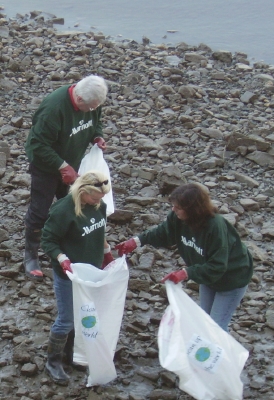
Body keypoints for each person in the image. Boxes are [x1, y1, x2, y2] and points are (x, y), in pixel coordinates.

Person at [115, 182, 253, 332]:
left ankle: (224, 354)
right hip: (207, 278)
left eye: (178, 207)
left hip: (231, 279)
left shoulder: (215, 227)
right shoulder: (178, 218)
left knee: (216, 328)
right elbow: (163, 232)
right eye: (173, 206)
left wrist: (186, 273)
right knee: (205, 320)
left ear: (193, 210)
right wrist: (137, 241)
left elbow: (218, 265)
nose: (174, 210)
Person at [24, 75, 108, 281]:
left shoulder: (92, 102)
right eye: (90, 107)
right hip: (46, 167)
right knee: (40, 211)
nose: (93, 110)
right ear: (79, 100)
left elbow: (95, 120)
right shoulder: (53, 109)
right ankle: (31, 256)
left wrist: (97, 135)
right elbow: (37, 144)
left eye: (96, 106)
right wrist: (62, 166)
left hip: (73, 162)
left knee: (74, 204)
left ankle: (68, 248)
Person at [41, 170, 114, 385]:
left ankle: (71, 353)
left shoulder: (99, 206)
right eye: (94, 197)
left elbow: (99, 231)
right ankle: (53, 361)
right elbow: (48, 240)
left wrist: (107, 253)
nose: (98, 201)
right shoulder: (64, 210)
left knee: (83, 312)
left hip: (89, 272)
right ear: (82, 191)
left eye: (101, 197)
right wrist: (62, 258)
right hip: (68, 273)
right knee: (66, 319)